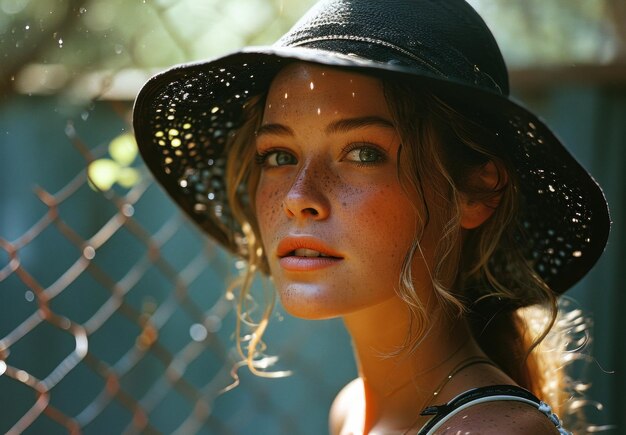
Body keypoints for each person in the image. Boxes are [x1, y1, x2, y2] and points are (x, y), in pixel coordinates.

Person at [133, 0, 610, 433]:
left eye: (362, 153)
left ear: (477, 190)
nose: (299, 198)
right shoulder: (352, 410)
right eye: (278, 155)